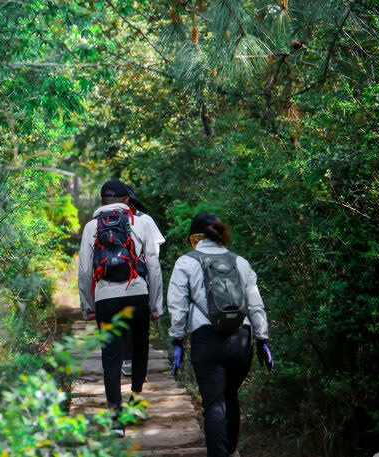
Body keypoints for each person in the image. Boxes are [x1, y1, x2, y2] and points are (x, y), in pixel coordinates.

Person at [167, 213, 274, 457]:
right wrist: (263, 341)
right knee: (230, 396)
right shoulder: (241, 262)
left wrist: (177, 340)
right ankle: (232, 451)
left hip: (207, 340)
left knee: (214, 404)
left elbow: (177, 305)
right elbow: (255, 305)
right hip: (242, 340)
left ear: (194, 238)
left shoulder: (186, 262)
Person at [78, 179, 163, 436]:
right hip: (137, 293)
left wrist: (87, 305)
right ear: (127, 199)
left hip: (106, 297)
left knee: (111, 358)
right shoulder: (143, 222)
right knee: (139, 348)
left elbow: (84, 270)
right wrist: (156, 304)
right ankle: (135, 400)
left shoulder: (92, 226)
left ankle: (116, 421)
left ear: (102, 201)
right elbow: (153, 266)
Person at [121, 185, 165, 378]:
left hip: (114, 279)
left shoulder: (104, 220)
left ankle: (126, 360)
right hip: (140, 279)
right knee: (139, 323)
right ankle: (138, 365)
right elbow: (154, 255)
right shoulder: (145, 220)